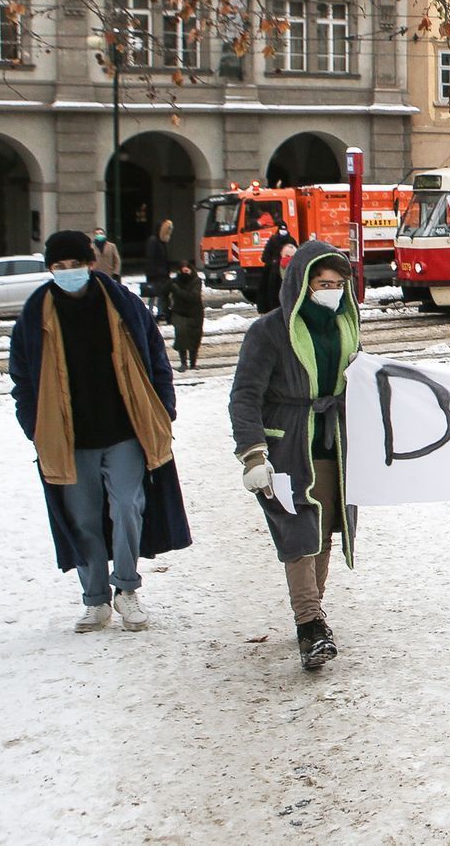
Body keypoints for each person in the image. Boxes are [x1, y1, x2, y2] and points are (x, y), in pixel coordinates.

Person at [9, 230, 191, 633]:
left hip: (125, 430)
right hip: (68, 437)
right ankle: (95, 601)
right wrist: (34, 425)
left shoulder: (122, 304)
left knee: (128, 506)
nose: (68, 272)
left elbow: (156, 357)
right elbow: (21, 375)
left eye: (75, 265)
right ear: (50, 269)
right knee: (84, 520)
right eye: (60, 267)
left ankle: (126, 589)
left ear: (90, 264)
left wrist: (164, 408)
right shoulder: (36, 312)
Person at [228, 241, 361, 670]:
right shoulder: (268, 331)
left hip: (333, 446)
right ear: (301, 284)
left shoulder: (347, 327)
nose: (332, 292)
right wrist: (252, 452)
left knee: (321, 532)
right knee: (298, 532)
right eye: (323, 283)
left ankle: (314, 612)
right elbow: (245, 396)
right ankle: (309, 623)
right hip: (286, 447)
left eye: (339, 284)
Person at [168, 260, 204, 371]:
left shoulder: (196, 281)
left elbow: (193, 297)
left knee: (195, 337)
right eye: (182, 271)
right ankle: (183, 362)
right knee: (181, 335)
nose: (185, 273)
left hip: (195, 313)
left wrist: (177, 290)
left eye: (186, 271)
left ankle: (193, 363)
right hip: (179, 313)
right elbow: (163, 292)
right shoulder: (174, 282)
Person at [258, 223, 295, 314]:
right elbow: (265, 256)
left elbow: (296, 254)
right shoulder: (273, 240)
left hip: (286, 270)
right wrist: (273, 261)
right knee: (271, 292)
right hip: (273, 272)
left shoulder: (291, 241)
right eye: (281, 229)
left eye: (284, 229)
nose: (283, 231)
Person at [144, 218, 174, 320]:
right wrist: (150, 274)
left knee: (162, 294)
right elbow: (151, 258)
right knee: (153, 294)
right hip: (156, 274)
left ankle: (161, 313)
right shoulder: (154, 241)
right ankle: (150, 313)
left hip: (162, 273)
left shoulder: (162, 241)